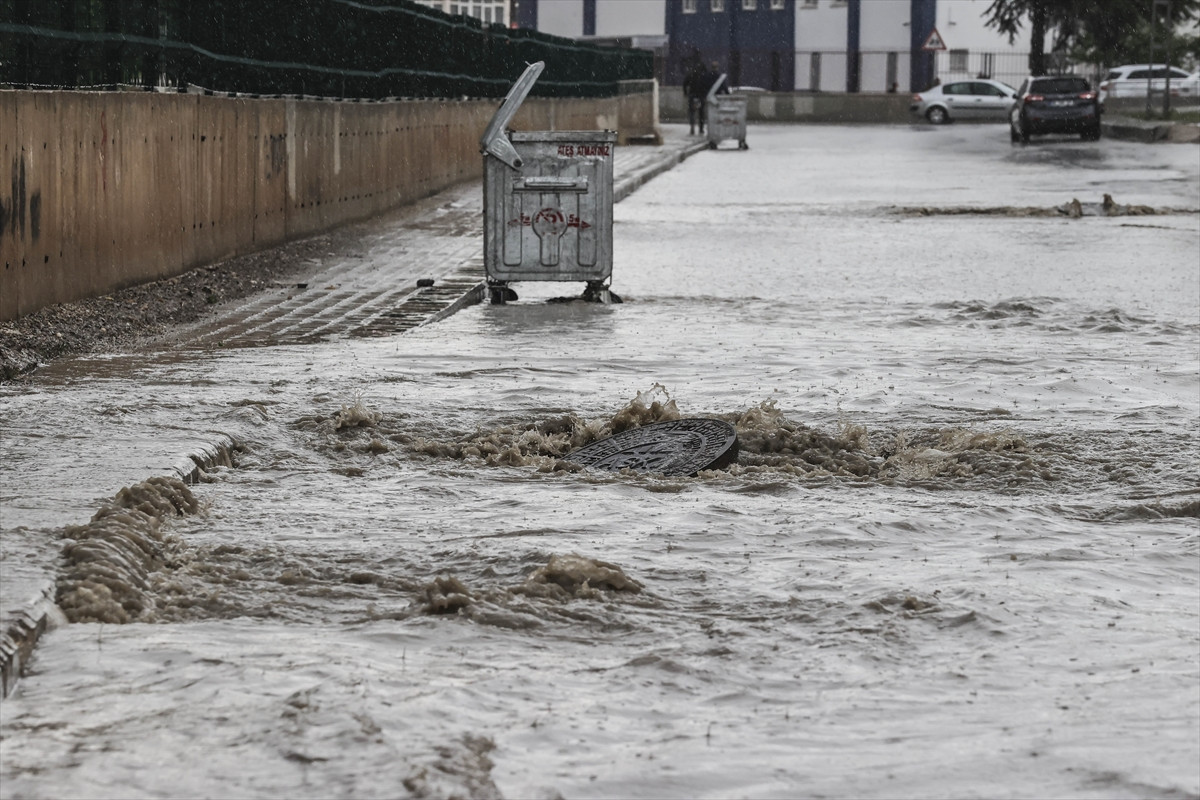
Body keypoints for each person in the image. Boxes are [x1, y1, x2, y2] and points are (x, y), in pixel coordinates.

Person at [683, 55, 707, 136]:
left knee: (692, 112)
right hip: (700, 96)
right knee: (701, 113)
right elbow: (706, 86)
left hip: (692, 95)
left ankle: (692, 127)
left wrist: (685, 93)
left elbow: (685, 83)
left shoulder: (691, 75)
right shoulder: (703, 76)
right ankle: (701, 129)